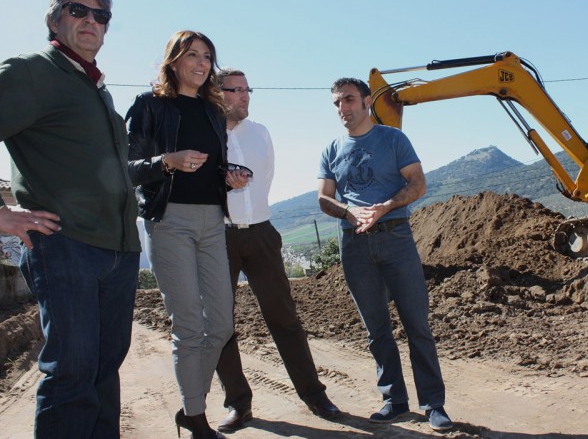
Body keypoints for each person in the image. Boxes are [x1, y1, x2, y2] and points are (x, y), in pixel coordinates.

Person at [0, 0, 141, 437]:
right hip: (66, 246)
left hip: (118, 251)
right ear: (54, 19)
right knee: (73, 374)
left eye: (101, 16)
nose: (91, 20)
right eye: (78, 10)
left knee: (103, 372)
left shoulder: (95, 87)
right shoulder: (30, 72)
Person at [126, 31, 247, 439]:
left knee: (222, 325)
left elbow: (216, 165)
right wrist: (168, 161)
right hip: (168, 222)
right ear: (173, 60)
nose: (201, 63)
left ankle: (190, 403)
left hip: (213, 221)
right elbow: (126, 167)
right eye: (192, 54)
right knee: (190, 326)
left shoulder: (213, 111)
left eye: (207, 57)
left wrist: (229, 177)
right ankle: (195, 417)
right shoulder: (149, 105)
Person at [317, 78, 453, 431]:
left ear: (365, 102)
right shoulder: (331, 149)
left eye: (348, 100)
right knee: (376, 329)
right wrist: (348, 212)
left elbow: (418, 184)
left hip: (395, 238)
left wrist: (386, 206)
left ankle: (433, 405)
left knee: (416, 324)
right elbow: (324, 197)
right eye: (336, 103)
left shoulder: (393, 139)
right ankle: (394, 401)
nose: (342, 108)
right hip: (354, 245)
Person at [214, 68, 340, 432]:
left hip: (262, 233)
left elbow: (264, 179)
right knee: (221, 325)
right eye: (235, 90)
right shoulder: (205, 133)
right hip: (219, 239)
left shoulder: (261, 133)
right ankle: (239, 405)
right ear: (216, 93)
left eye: (247, 89)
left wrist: (252, 215)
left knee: (284, 317)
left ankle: (314, 394)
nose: (244, 96)